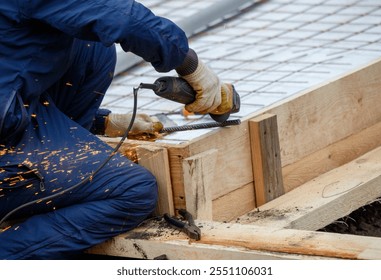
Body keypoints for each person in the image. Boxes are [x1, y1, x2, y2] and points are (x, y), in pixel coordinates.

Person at [0, 1, 233, 259]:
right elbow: (116, 15)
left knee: (93, 46)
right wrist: (190, 65)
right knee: (133, 191)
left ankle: (60, 169)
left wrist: (102, 122)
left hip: (10, 110)